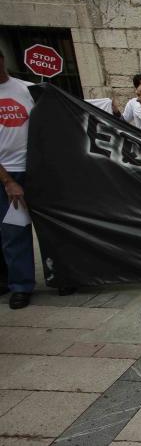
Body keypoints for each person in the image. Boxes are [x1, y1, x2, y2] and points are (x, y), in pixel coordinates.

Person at [0, 48, 36, 308]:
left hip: (35, 169)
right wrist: (8, 181)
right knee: (14, 230)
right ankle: (21, 285)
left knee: (51, 224)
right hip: (7, 172)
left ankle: (63, 275)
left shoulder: (27, 89)